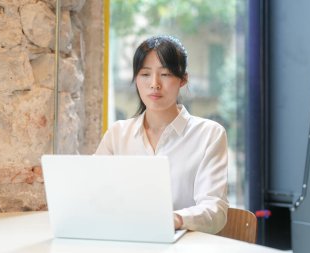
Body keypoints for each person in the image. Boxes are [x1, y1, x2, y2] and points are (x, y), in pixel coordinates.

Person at [96, 35, 229, 234]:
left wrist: (175, 219)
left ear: (183, 79)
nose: (154, 84)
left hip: (183, 244)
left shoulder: (209, 134)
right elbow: (93, 194)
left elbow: (215, 210)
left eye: (165, 74)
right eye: (145, 74)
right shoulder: (117, 134)